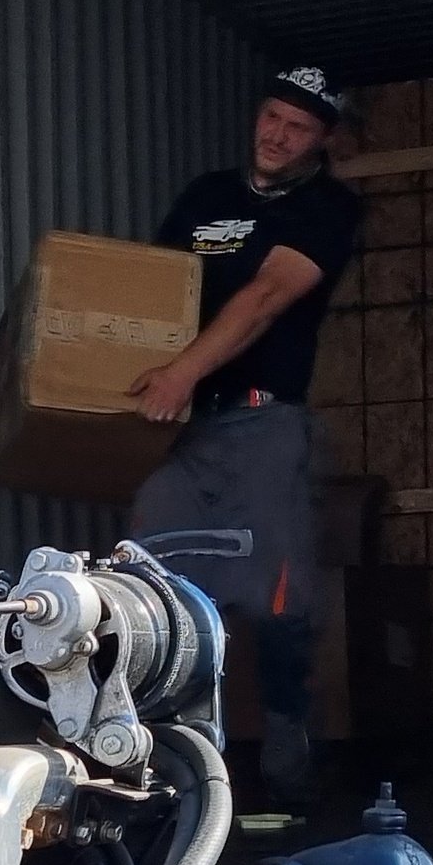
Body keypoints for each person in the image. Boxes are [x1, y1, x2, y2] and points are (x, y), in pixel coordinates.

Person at [127, 64, 362, 801]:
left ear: (323, 140)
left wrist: (181, 373)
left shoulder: (329, 208)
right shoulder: (206, 196)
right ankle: (165, 763)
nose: (278, 135)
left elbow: (265, 298)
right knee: (153, 581)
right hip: (184, 427)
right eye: (271, 117)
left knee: (275, 599)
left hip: (264, 423)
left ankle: (288, 751)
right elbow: (149, 290)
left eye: (298, 128)